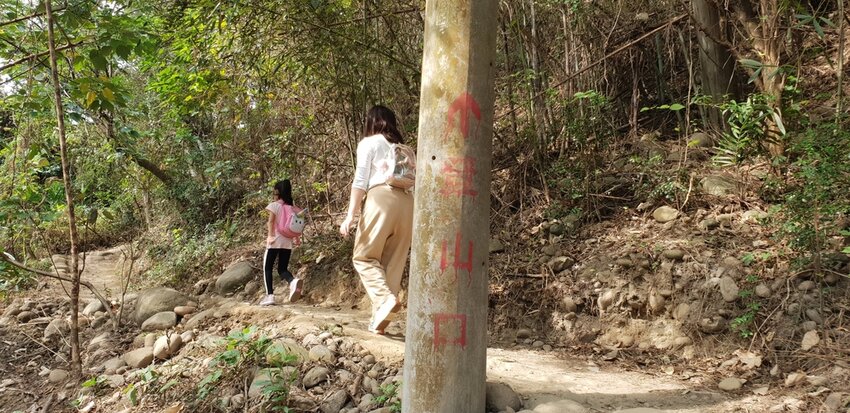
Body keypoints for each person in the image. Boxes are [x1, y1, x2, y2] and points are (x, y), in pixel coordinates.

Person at [340, 105, 414, 334]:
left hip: (381, 198)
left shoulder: (369, 142)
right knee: (392, 263)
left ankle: (383, 301)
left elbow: (360, 180)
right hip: (407, 203)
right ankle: (379, 321)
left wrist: (350, 216)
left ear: (371, 122)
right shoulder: (402, 148)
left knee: (363, 257)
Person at [260, 179, 304, 306]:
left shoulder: (274, 205)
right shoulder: (293, 208)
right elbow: (296, 225)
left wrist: (270, 236)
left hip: (275, 240)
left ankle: (270, 296)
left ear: (277, 192)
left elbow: (270, 222)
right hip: (287, 242)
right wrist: (296, 238)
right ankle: (292, 281)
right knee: (282, 269)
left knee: (267, 268)